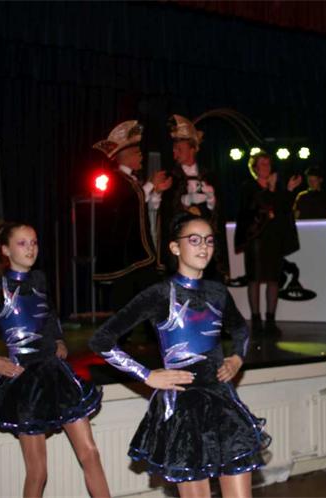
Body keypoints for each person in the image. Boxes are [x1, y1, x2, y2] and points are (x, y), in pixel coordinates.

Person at [89, 213, 269, 498]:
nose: (203, 247)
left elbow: (240, 330)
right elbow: (101, 340)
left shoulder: (218, 292)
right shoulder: (160, 294)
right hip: (183, 407)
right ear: (175, 247)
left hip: (222, 402)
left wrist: (236, 358)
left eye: (209, 241)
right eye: (194, 240)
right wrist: (146, 375)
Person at [0, 222, 109, 498]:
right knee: (38, 472)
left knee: (90, 454)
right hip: (25, 382)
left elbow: (49, 313)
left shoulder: (40, 279)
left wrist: (58, 339)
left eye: (34, 242)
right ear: (5, 250)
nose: (30, 249)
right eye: (22, 243)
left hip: (56, 375)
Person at [92, 120, 171, 308]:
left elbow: (141, 206)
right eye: (137, 152)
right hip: (127, 253)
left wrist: (156, 191)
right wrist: (151, 184)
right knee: (128, 297)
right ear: (126, 157)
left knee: (146, 294)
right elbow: (129, 203)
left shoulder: (132, 181)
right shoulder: (117, 180)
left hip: (137, 253)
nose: (141, 155)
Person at [234, 152, 301, 335]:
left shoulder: (276, 187)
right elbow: (254, 208)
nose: (266, 167)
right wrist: (270, 190)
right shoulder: (249, 187)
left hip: (274, 238)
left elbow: (284, 209)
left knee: (273, 279)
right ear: (255, 168)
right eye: (262, 164)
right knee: (254, 279)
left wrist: (289, 190)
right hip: (256, 239)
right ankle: (256, 320)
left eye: (268, 164)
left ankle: (270, 320)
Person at [156, 114, 228, 281]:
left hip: (205, 244)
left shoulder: (209, 176)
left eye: (179, 149)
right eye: (174, 150)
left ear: (193, 149)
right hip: (183, 247)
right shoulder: (170, 177)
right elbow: (166, 213)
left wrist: (210, 202)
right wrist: (184, 205)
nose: (175, 154)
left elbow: (219, 213)